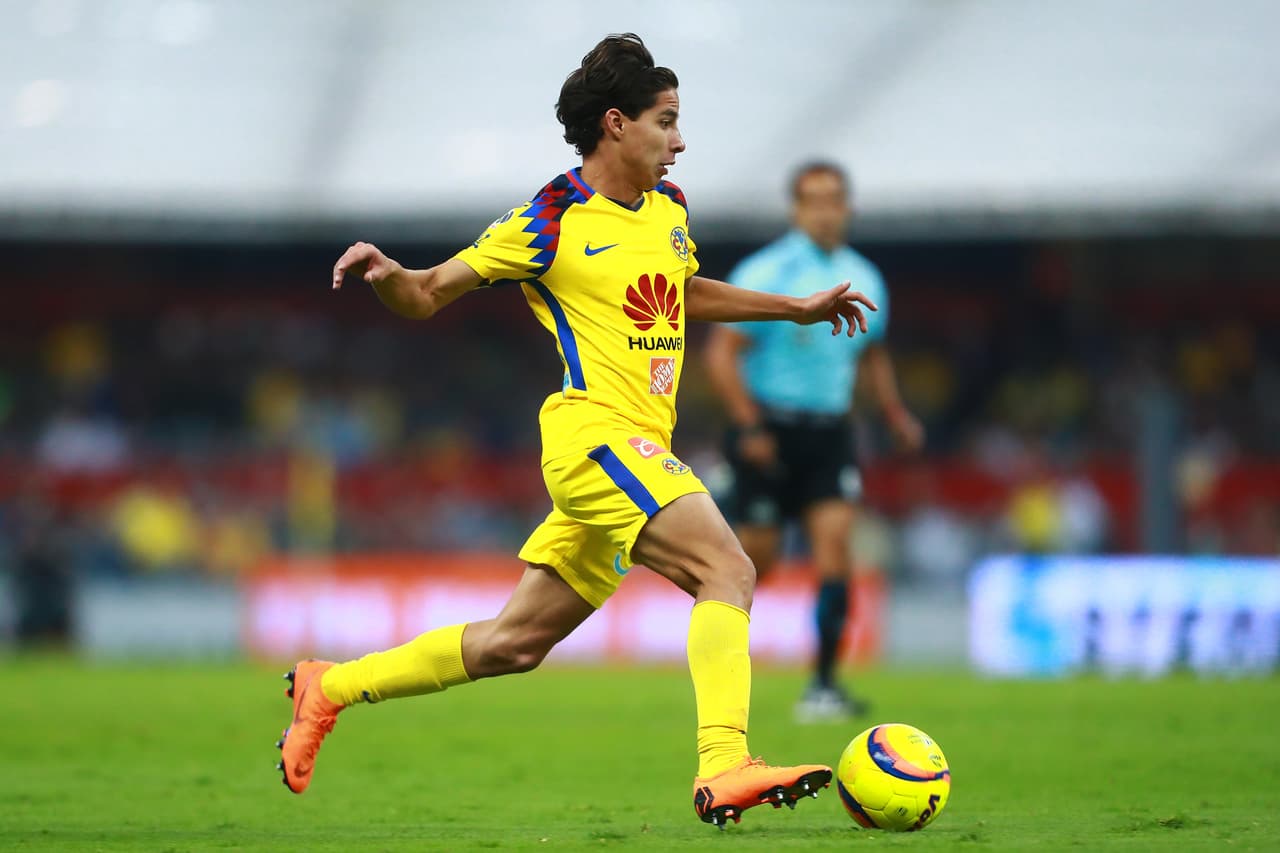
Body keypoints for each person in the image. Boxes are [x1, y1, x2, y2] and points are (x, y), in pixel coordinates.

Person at [280, 34, 876, 830]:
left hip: (638, 451)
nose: (681, 140)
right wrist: (392, 277)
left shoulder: (670, 209)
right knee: (726, 568)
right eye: (667, 121)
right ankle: (724, 761)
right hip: (591, 437)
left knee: (512, 644)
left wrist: (792, 309)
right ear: (617, 124)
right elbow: (427, 293)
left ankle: (331, 687)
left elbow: (680, 289)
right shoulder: (551, 218)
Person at [704, 162, 923, 722]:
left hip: (830, 433)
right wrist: (747, 424)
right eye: (814, 201)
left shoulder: (866, 277)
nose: (826, 211)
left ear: (847, 208)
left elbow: (871, 353)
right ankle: (718, 670)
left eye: (834, 200)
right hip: (769, 434)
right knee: (757, 565)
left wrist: (894, 412)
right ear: (797, 210)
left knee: (836, 551)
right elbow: (721, 354)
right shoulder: (769, 269)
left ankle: (824, 685)